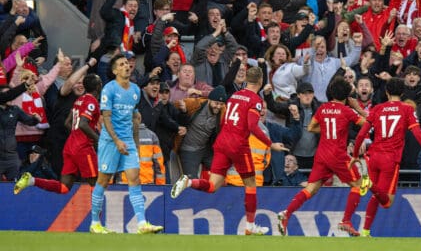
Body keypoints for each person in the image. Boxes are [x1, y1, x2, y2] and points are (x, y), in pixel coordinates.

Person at [170, 67, 288, 235]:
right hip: (238, 146)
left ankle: (188, 182)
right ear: (261, 81)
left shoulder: (234, 96)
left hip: (223, 142)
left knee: (212, 186)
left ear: (246, 79)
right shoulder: (255, 100)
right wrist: (271, 144)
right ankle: (250, 226)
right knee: (251, 185)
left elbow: (224, 120)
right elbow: (252, 125)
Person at [351, 78, 421, 237]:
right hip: (390, 159)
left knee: (376, 194)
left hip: (373, 157)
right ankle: (369, 183)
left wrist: (355, 154)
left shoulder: (377, 108)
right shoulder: (406, 109)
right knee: (387, 202)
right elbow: (419, 134)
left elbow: (360, 134)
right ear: (402, 93)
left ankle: (365, 231)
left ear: (386, 92)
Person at [277, 77, 366, 237]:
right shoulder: (347, 111)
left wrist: (326, 131)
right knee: (358, 185)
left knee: (311, 189)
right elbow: (368, 124)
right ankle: (346, 220)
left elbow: (311, 127)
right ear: (346, 95)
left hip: (322, 154)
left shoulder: (323, 108)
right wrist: (358, 108)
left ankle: (286, 213)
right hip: (338, 155)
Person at [90, 54, 163, 234]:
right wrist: (116, 141)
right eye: (121, 64)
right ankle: (94, 223)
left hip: (128, 141)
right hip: (109, 141)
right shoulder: (109, 89)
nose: (126, 66)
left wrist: (135, 143)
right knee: (103, 180)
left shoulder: (136, 90)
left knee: (134, 178)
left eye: (127, 64)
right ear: (115, 70)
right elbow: (105, 117)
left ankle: (141, 223)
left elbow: (134, 117)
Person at [14, 74, 103, 195]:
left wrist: (76, 135)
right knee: (96, 184)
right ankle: (96, 214)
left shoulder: (79, 100)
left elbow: (67, 122)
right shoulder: (91, 101)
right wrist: (98, 139)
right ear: (98, 86)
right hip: (83, 148)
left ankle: (32, 180)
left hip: (70, 146)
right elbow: (82, 124)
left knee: (64, 187)